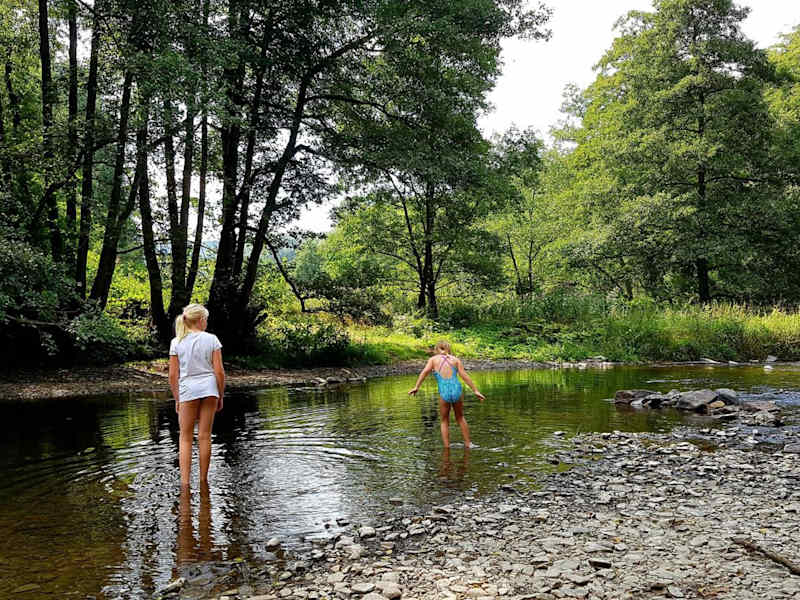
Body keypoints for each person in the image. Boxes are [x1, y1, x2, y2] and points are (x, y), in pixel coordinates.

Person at [169, 304, 225, 487]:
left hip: (187, 390)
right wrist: (220, 395)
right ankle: (203, 481)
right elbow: (219, 372)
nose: (206, 322)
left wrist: (177, 398)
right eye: (206, 319)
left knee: (185, 438)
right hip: (209, 389)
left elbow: (173, 375)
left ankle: (185, 484)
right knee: (205, 436)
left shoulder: (176, 342)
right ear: (201, 320)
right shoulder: (212, 339)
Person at [408, 341, 485, 447]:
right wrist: (475, 390)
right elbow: (464, 376)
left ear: (436, 349)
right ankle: (468, 443)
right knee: (460, 417)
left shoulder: (433, 360)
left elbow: (424, 372)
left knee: (444, 421)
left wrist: (416, 387)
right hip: (456, 389)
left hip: (444, 391)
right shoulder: (455, 360)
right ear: (449, 349)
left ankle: (447, 447)